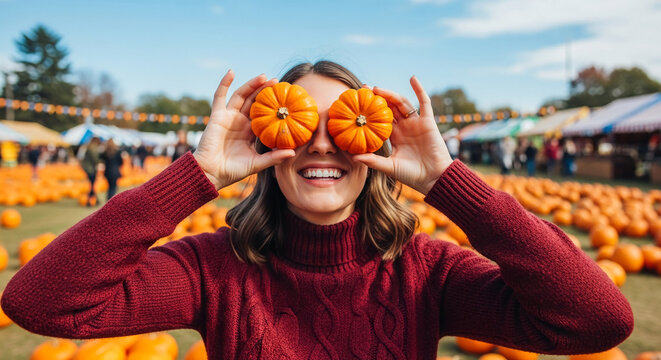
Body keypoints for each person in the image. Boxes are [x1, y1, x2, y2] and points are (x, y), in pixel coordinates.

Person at [2, 61, 632, 359]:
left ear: (377, 140)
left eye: (346, 123)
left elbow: (598, 321)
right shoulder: (212, 270)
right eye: (298, 124)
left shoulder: (427, 273)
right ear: (266, 142)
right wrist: (195, 177)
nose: (322, 142)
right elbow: (40, 302)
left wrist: (447, 181)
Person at [80, 137, 101, 206]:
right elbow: (95, 159)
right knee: (92, 184)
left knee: (92, 184)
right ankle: (90, 200)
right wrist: (99, 162)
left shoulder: (88, 147)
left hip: (87, 168)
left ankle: (95, 199)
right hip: (90, 169)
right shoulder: (93, 148)